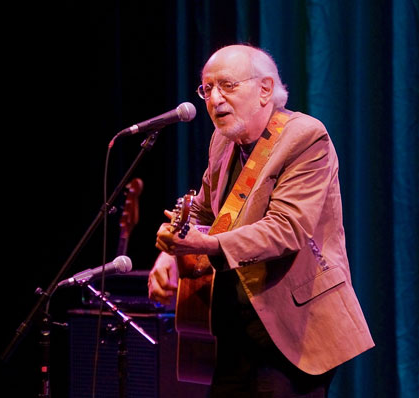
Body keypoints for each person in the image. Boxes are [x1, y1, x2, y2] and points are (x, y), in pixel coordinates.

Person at [148, 44, 374, 398]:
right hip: (232, 333)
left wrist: (205, 245)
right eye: (207, 89)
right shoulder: (223, 141)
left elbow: (286, 229)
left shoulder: (306, 137)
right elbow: (207, 211)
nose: (214, 98)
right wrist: (172, 254)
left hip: (293, 331)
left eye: (227, 85)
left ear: (266, 89)